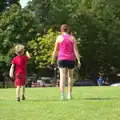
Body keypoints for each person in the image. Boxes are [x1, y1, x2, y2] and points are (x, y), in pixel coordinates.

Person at [51, 24, 81, 100]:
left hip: (61, 59)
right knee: (70, 77)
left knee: (62, 77)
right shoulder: (72, 38)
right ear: (68, 30)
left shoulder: (59, 38)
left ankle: (62, 95)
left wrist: (52, 60)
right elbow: (75, 50)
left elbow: (55, 50)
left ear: (61, 30)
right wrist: (78, 60)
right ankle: (69, 95)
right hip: (71, 59)